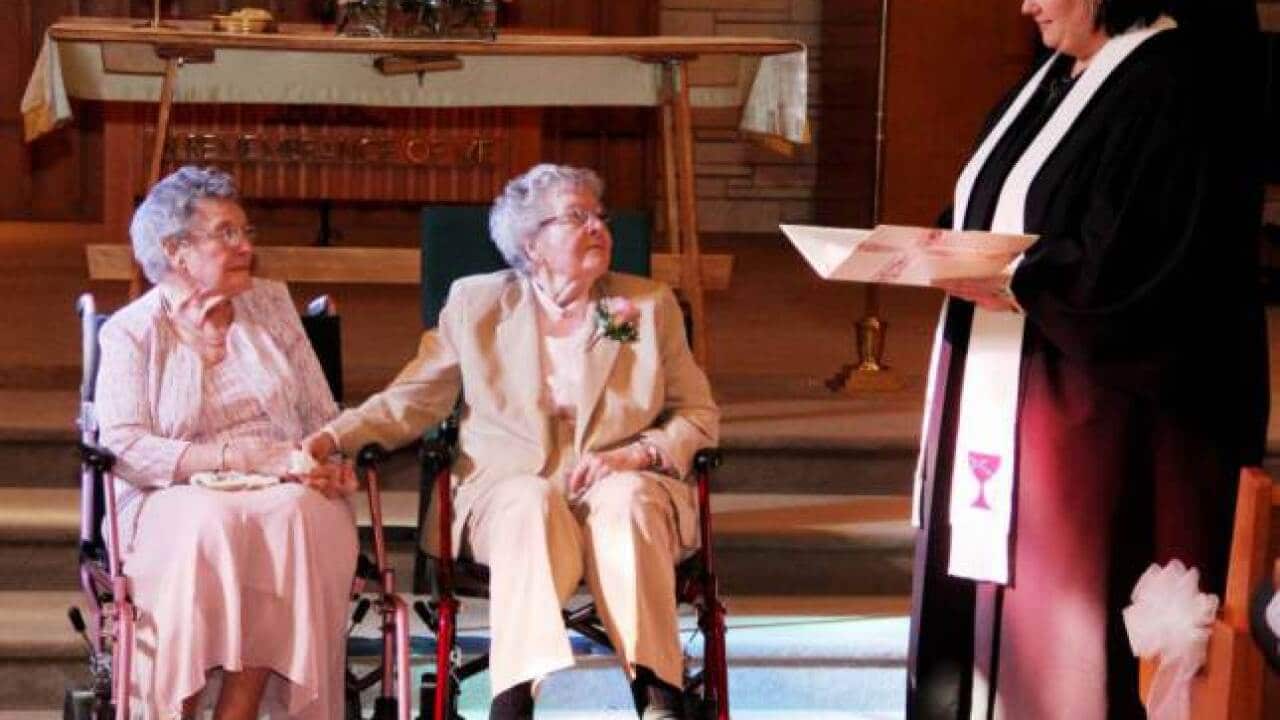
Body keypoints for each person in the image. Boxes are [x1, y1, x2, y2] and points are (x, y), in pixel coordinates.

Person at [907, 1, 1269, 718]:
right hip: (1001, 377)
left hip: (1090, 410)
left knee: (1062, 625)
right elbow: (992, 204)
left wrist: (1023, 276)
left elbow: (1144, 261)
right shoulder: (1053, 78)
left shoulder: (1173, 83)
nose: (1026, 6)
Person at [303, 163, 719, 720]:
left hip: (619, 486)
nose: (597, 227)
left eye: (600, 216)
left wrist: (636, 454)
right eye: (576, 217)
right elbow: (416, 398)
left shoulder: (644, 305)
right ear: (532, 243)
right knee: (529, 499)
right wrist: (334, 436)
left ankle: (656, 694)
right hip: (505, 496)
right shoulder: (477, 305)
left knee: (627, 499)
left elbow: (697, 413)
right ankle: (514, 700)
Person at [95, 166, 358, 719]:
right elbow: (123, 445)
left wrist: (326, 458)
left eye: (246, 232)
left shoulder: (271, 304)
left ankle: (238, 710)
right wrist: (232, 460)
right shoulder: (132, 330)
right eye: (226, 233)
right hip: (171, 487)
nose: (245, 247)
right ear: (176, 251)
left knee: (293, 516)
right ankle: (175, 707)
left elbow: (319, 413)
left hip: (285, 479)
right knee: (207, 523)